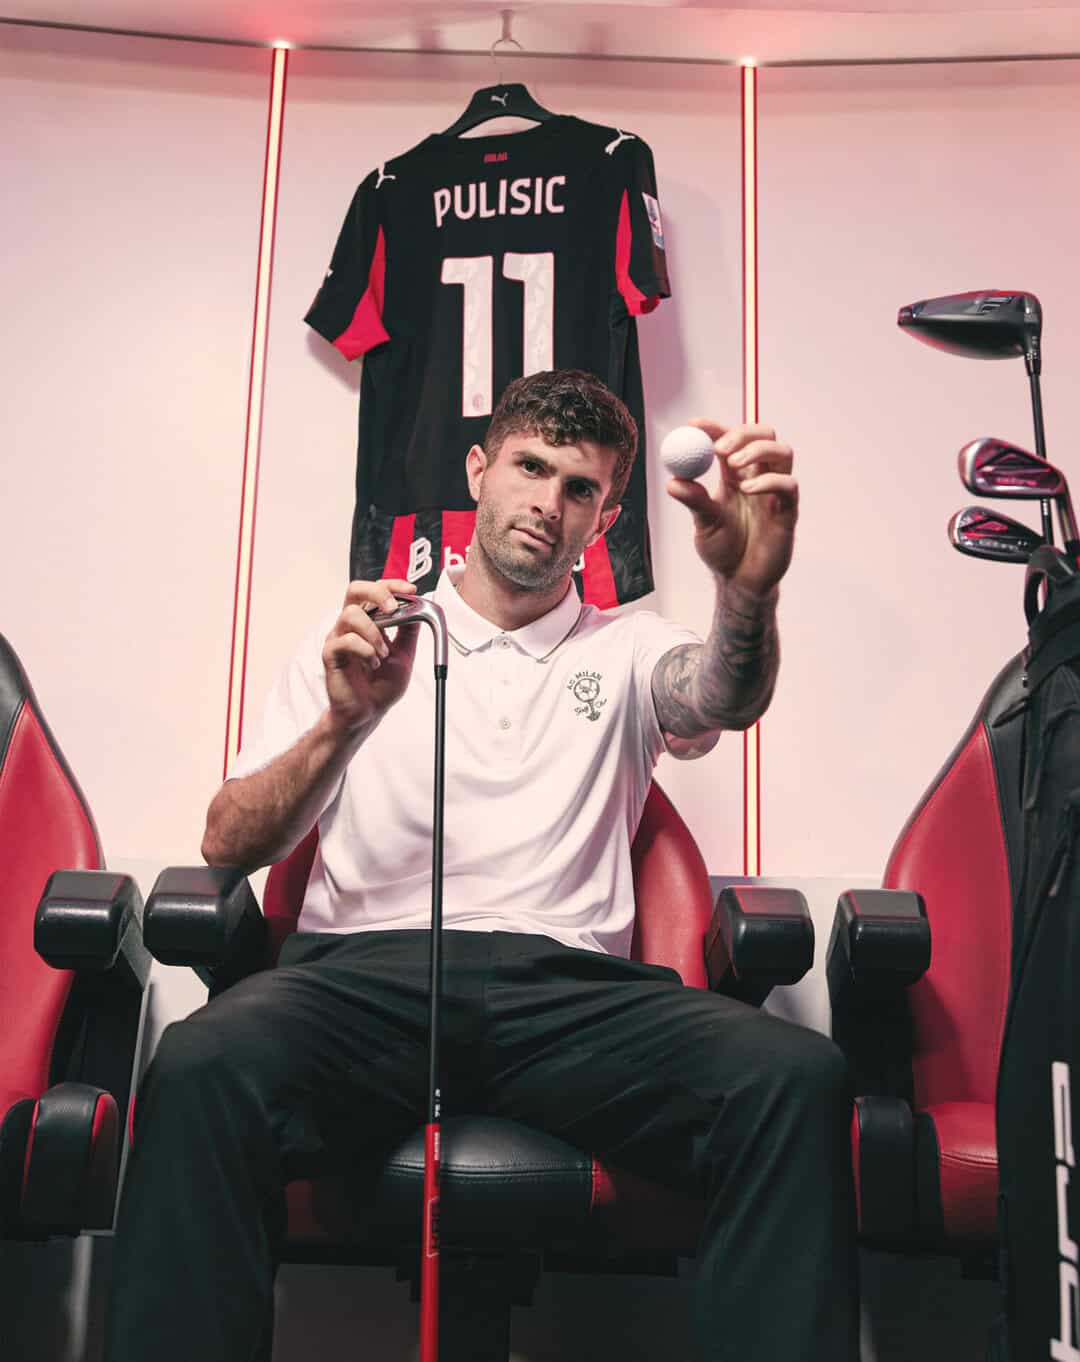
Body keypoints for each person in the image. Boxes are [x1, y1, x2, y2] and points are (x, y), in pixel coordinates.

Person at [104, 369, 858, 1361]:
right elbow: (228, 844)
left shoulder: (632, 650)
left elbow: (721, 693)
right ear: (478, 470)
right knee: (198, 1067)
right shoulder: (366, 639)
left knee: (794, 1077)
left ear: (606, 519)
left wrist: (747, 591)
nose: (548, 502)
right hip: (365, 982)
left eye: (579, 488)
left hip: (567, 996)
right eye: (529, 468)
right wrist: (344, 723)